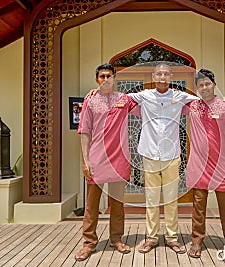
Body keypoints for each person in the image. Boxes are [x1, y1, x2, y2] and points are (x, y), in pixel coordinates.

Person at [126, 63, 200, 254]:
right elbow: (119, 99)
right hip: (149, 154)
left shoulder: (180, 96)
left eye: (166, 74)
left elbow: (203, 101)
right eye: (159, 74)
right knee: (151, 200)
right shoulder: (144, 95)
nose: (162, 77)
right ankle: (151, 238)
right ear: (153, 75)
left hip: (172, 156)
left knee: (170, 200)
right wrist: (95, 92)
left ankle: (172, 238)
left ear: (171, 76)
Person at [75, 63, 139, 261]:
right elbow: (85, 132)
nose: (105, 79)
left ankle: (116, 239)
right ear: (97, 80)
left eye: (109, 76)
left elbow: (149, 104)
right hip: (97, 158)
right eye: (102, 76)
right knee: (91, 205)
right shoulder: (91, 101)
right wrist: (86, 161)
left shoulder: (124, 100)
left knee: (117, 204)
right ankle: (89, 243)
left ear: (114, 78)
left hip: (119, 158)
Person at [184, 69, 225, 258]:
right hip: (198, 166)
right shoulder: (192, 106)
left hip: (221, 166)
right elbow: (165, 100)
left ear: (214, 84)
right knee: (198, 206)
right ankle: (196, 242)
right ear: (197, 88)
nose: (204, 87)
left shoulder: (224, 106)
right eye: (201, 85)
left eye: (207, 84)